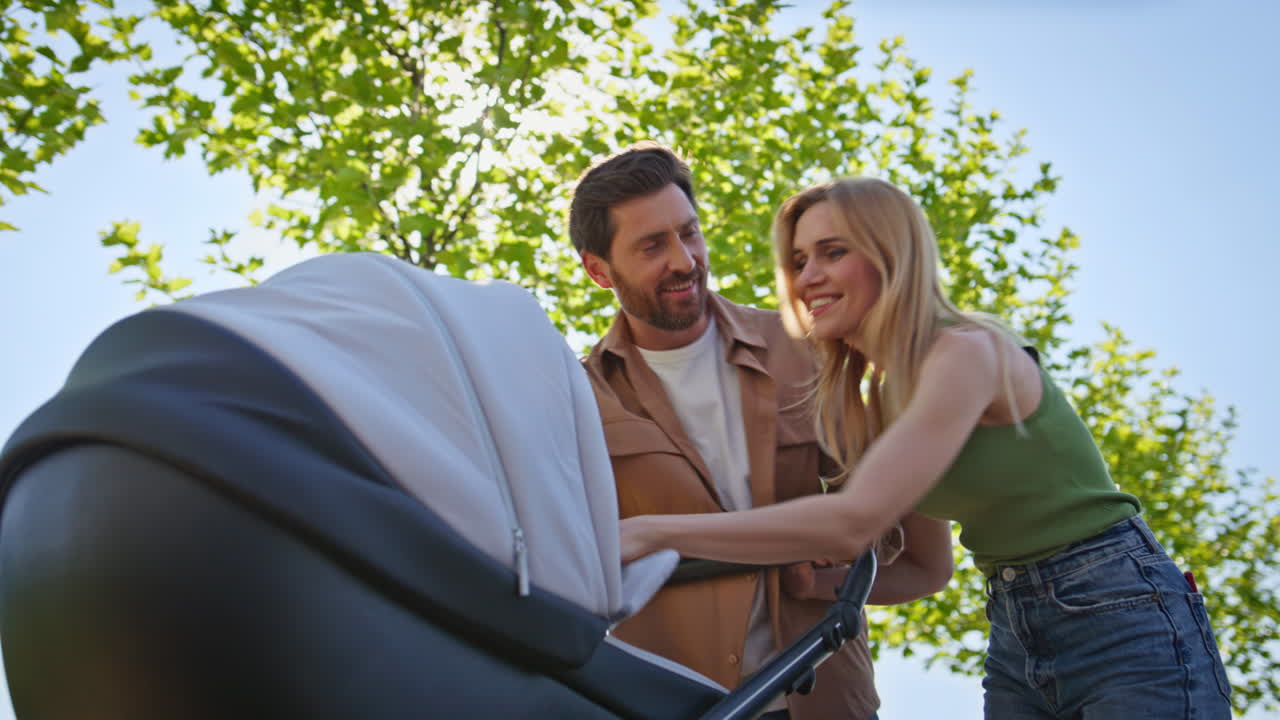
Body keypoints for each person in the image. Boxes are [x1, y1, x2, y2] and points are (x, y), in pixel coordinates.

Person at [620, 176, 1234, 719]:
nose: (808, 277)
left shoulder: (967, 353)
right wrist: (810, 587)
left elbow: (851, 522)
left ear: (891, 255)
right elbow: (924, 567)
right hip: (1016, 626)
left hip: (1118, 604)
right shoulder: (880, 402)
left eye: (833, 252)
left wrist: (653, 533)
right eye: (800, 260)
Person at [569, 144, 950, 720]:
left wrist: (831, 575)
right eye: (652, 246)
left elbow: (913, 549)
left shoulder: (814, 352)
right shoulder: (573, 402)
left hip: (823, 698)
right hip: (670, 706)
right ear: (599, 269)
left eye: (689, 233)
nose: (684, 259)